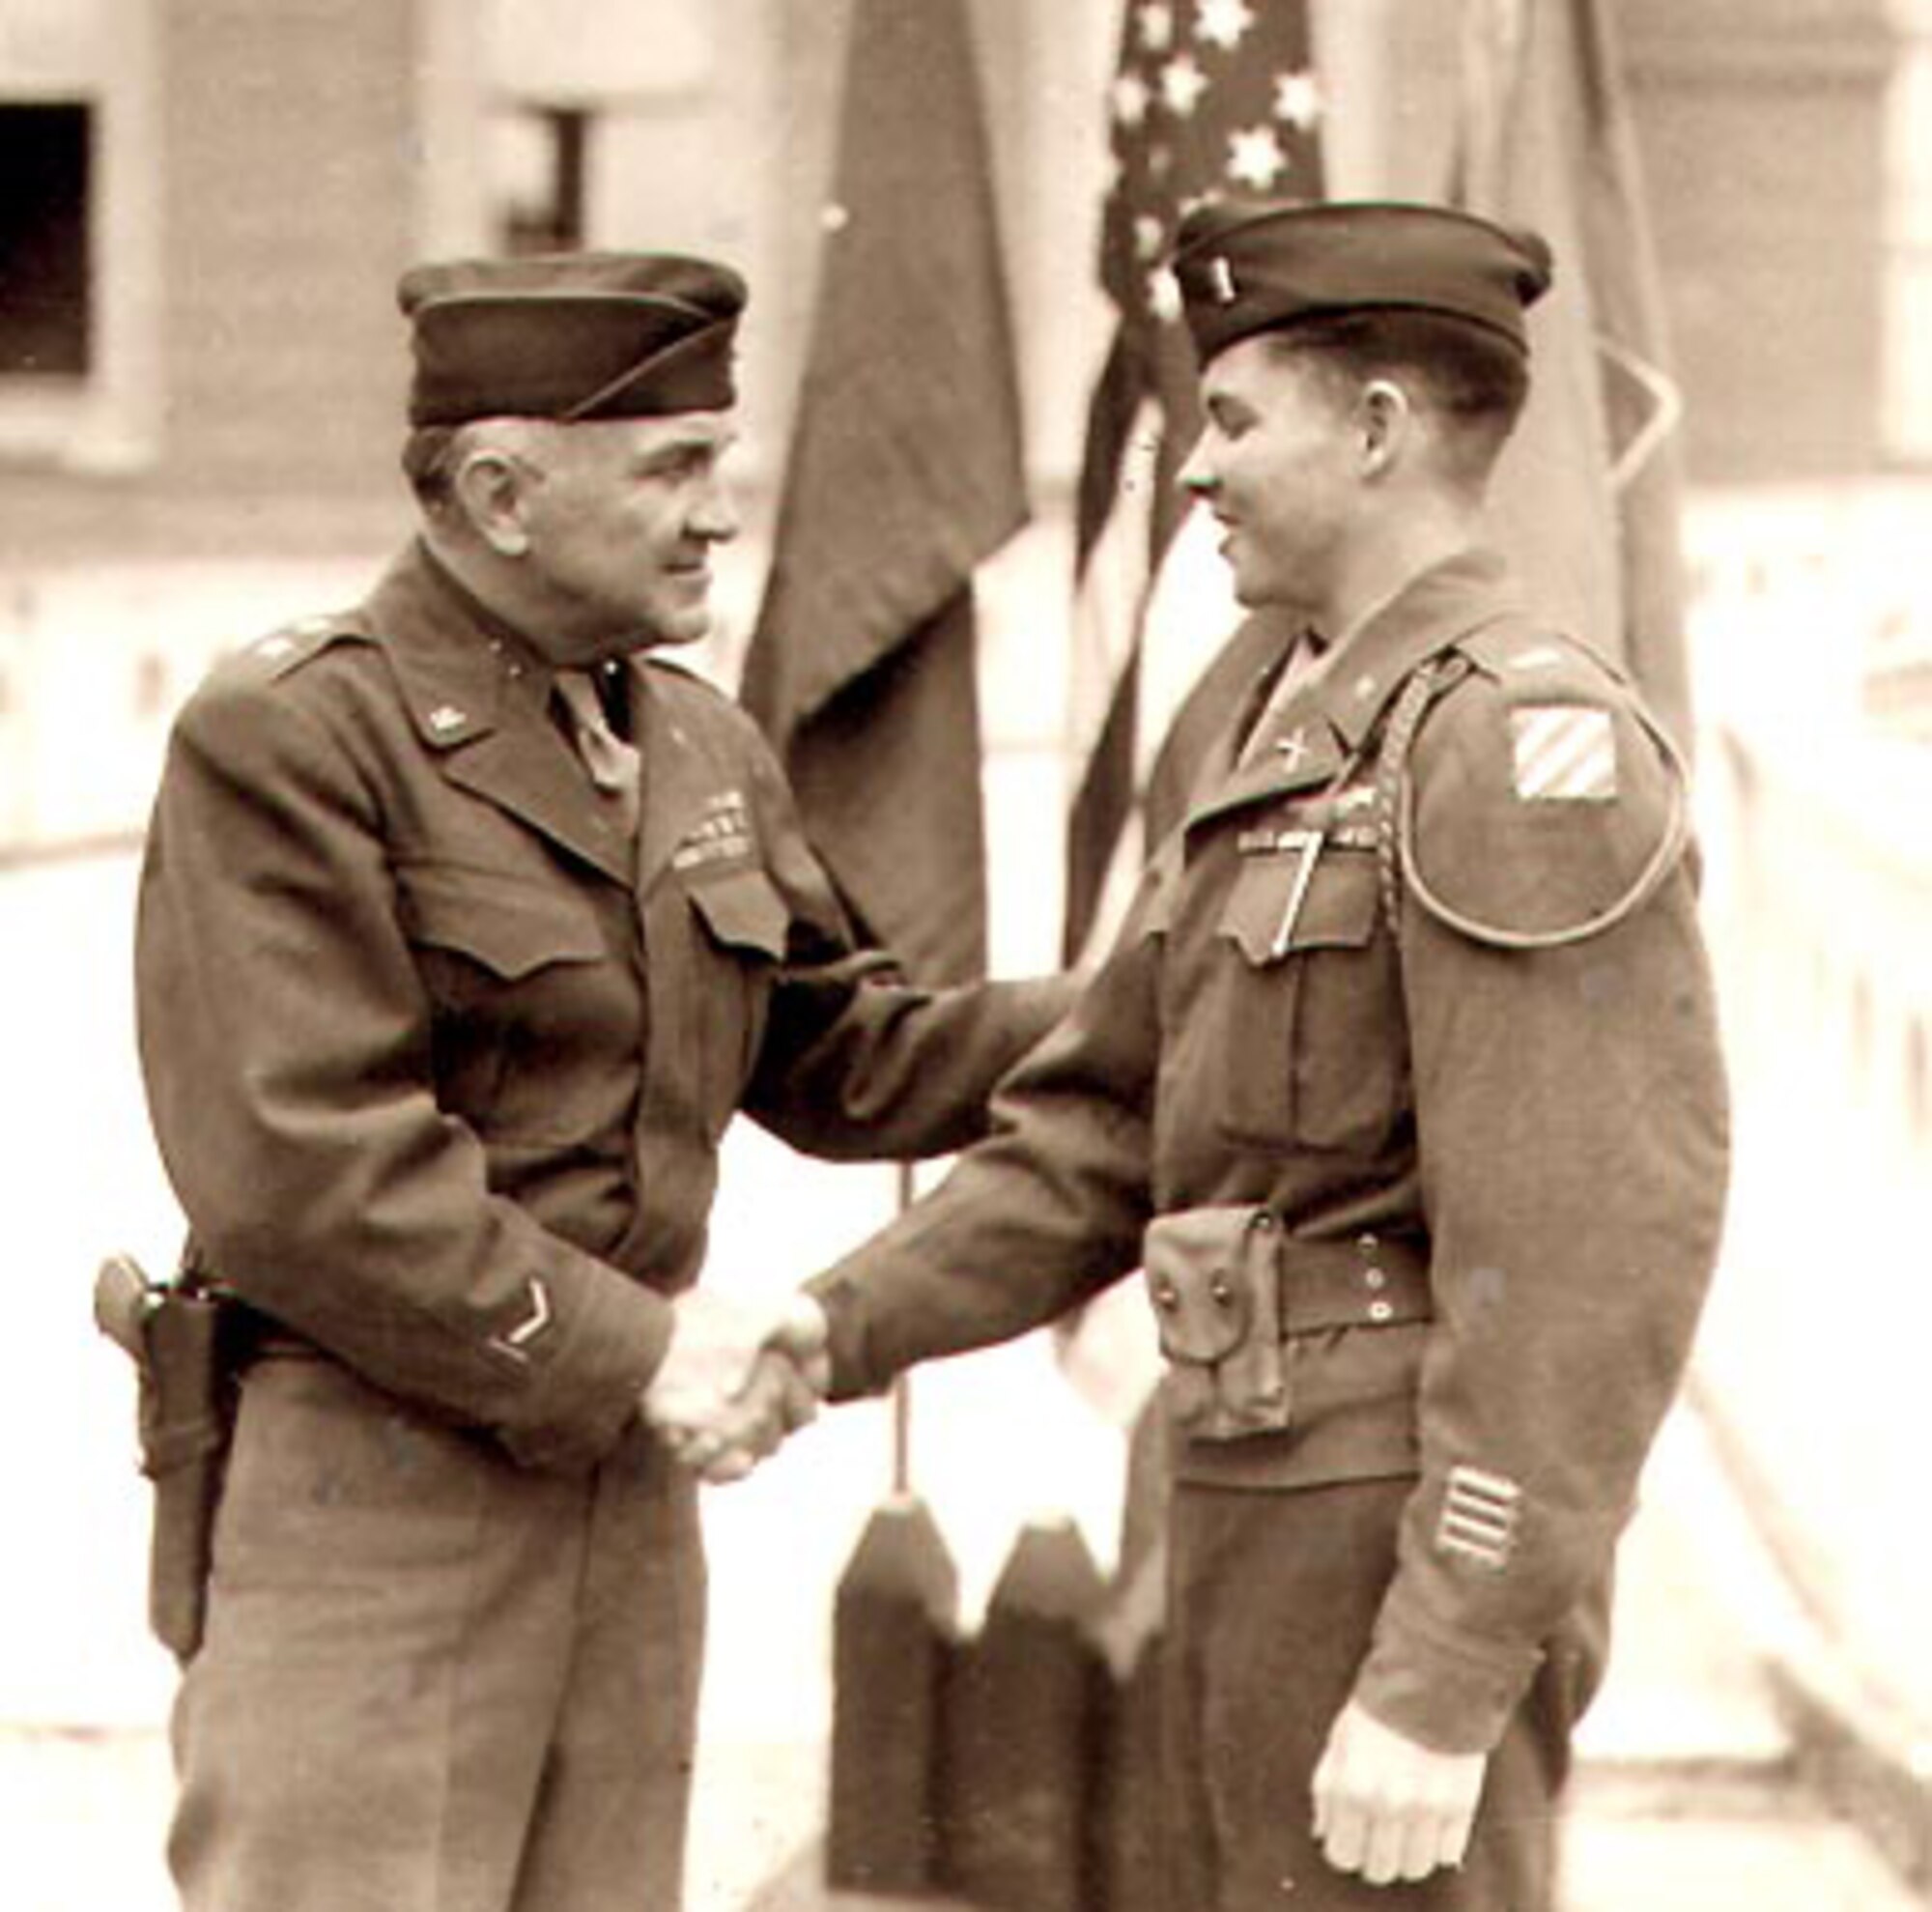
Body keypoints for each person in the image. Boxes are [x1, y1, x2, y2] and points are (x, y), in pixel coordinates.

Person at [672, 199, 1731, 1908]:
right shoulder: (1280, 726)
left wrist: (1444, 1671)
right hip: (1238, 1509)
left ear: (1379, 428)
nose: (1194, 472)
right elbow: (1103, 1129)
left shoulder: (1516, 749)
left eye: (1233, 420)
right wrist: (836, 1324)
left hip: (1387, 1547)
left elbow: (1589, 1257)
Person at [132, 248, 1071, 1912]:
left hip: (624, 1508)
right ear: (499, 490)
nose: (722, 510)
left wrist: (1159, 994)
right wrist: (647, 1353)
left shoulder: (696, 744)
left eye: (721, 459)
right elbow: (303, 1170)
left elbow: (848, 1059)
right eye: (674, 468)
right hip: (379, 1492)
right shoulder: (291, 737)